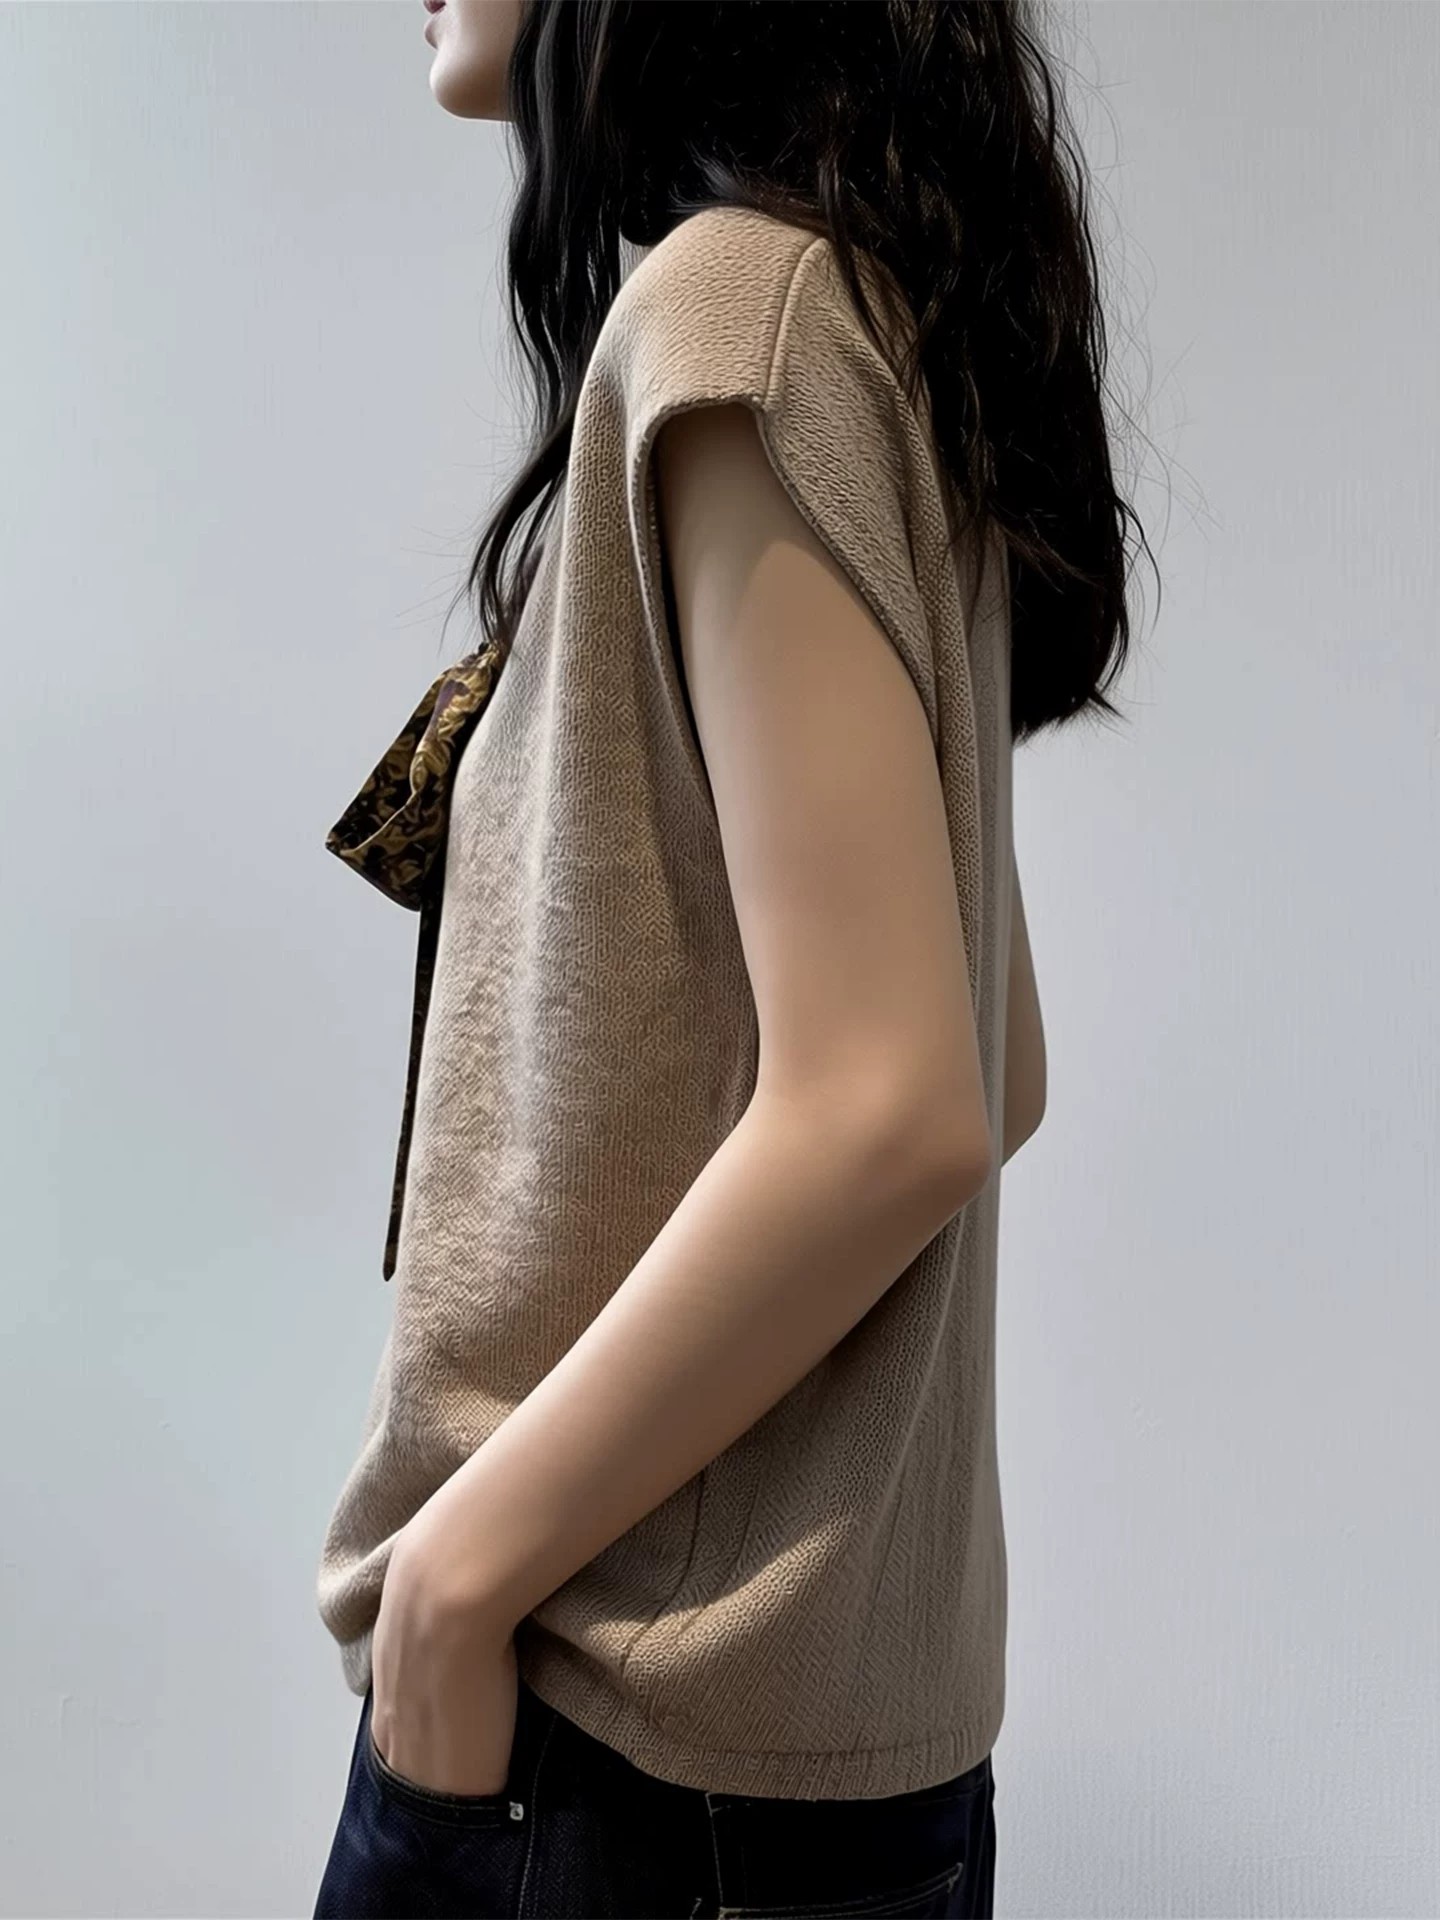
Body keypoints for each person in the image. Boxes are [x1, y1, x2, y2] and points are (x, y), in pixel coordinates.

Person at [313, 3, 1151, 1915]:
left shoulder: (737, 320)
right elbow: (987, 1061)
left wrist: (452, 1588)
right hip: (779, 1782)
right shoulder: (862, 322)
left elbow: (894, 1108)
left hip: (615, 1763)